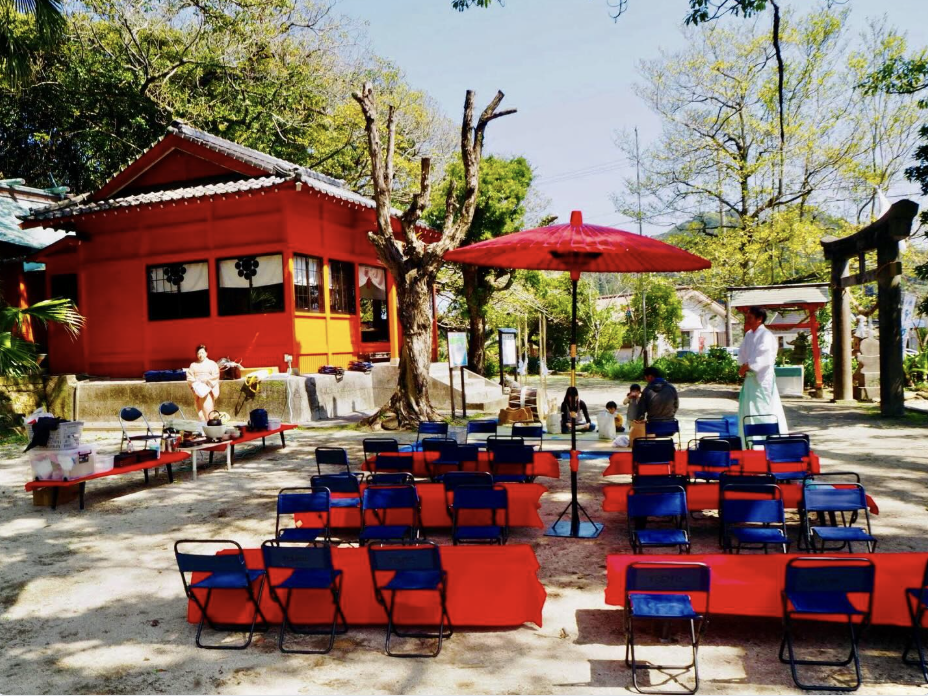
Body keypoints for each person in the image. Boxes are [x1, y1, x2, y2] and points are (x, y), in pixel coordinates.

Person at [737, 306, 788, 442]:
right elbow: (743, 353)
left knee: (762, 408)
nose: (747, 320)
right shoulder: (749, 334)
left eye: (750, 317)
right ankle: (749, 441)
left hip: (762, 379)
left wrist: (747, 366)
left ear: (759, 319)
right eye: (747, 317)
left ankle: (766, 440)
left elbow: (763, 357)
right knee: (748, 408)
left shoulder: (766, 335)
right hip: (750, 378)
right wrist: (743, 366)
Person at [187, 344, 221, 421]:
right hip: (198, 390)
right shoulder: (193, 365)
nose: (200, 355)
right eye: (198, 353)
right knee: (200, 411)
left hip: (208, 390)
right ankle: (202, 425)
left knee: (208, 409)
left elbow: (215, 375)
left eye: (202, 353)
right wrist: (195, 385)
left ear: (206, 353)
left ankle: (209, 423)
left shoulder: (212, 364)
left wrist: (207, 383)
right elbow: (190, 377)